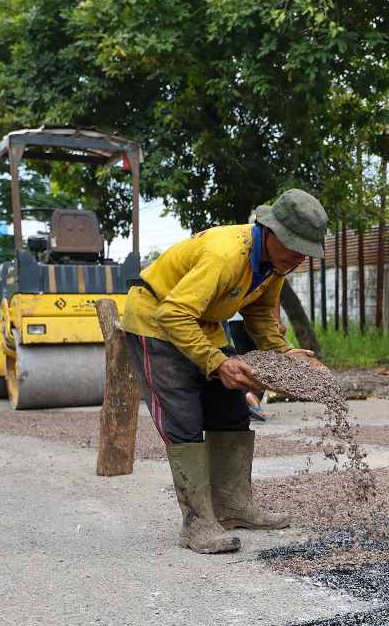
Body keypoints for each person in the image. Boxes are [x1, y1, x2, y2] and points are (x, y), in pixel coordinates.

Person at [123, 189, 326, 554]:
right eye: (294, 248)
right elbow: (172, 314)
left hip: (201, 322)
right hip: (155, 320)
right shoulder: (226, 254)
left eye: (305, 252)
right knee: (184, 417)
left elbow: (260, 313)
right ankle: (197, 524)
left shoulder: (275, 265)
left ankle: (232, 507)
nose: (299, 258)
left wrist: (283, 355)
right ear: (270, 231)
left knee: (231, 408)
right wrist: (217, 362)